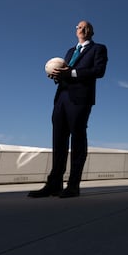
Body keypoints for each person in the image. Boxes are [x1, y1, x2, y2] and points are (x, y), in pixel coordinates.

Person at [29, 20, 108, 198]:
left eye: (86, 27)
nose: (82, 29)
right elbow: (63, 73)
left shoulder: (99, 49)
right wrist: (56, 75)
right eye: (79, 27)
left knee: (78, 139)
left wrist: (71, 73)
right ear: (76, 31)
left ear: (92, 32)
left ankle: (73, 186)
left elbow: (99, 71)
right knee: (58, 141)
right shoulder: (70, 51)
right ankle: (54, 184)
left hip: (80, 99)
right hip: (61, 98)